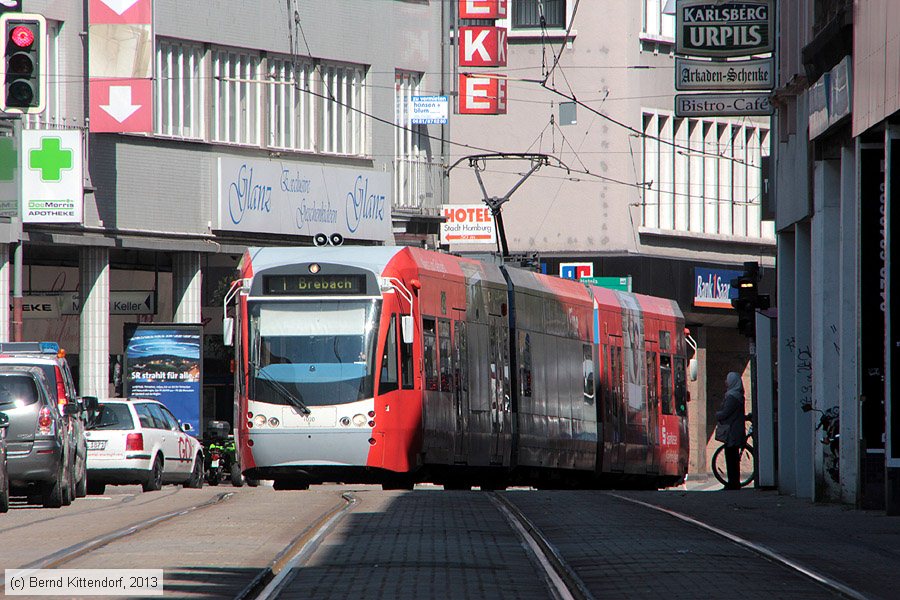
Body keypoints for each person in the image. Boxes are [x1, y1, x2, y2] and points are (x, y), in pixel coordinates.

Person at [716, 371, 746, 490]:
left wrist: (717, 414)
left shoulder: (732, 397)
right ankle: (734, 481)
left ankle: (733, 482)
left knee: (731, 457)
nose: (726, 382)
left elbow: (725, 413)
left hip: (732, 431)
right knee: (733, 457)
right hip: (736, 429)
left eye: (728, 380)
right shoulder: (738, 395)